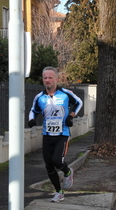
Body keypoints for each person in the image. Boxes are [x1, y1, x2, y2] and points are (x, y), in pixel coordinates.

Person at [28, 66, 83, 202]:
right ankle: (59, 192)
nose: (47, 80)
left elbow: (79, 102)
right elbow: (33, 110)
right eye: (45, 78)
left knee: (57, 161)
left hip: (62, 134)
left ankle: (67, 172)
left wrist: (71, 116)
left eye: (50, 77)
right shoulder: (40, 97)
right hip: (47, 134)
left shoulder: (65, 93)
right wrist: (32, 119)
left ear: (56, 79)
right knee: (49, 165)